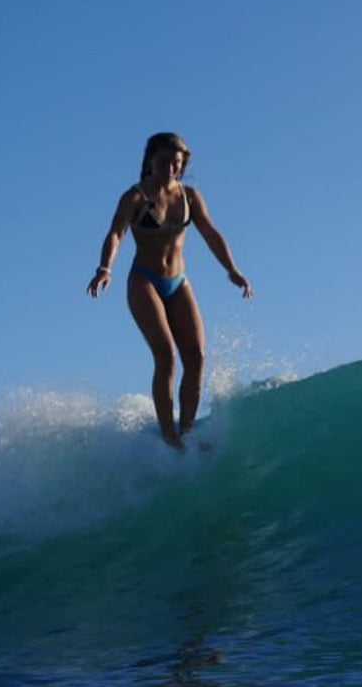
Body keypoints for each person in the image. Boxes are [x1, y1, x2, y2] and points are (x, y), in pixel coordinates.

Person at [86, 132, 252, 449]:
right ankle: (168, 435)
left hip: (179, 281)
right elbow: (116, 234)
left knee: (197, 357)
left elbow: (210, 233)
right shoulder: (135, 198)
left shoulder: (189, 196)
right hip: (144, 280)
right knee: (166, 356)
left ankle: (186, 431)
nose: (171, 169)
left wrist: (232, 270)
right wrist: (104, 268)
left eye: (177, 163)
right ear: (150, 161)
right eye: (164, 162)